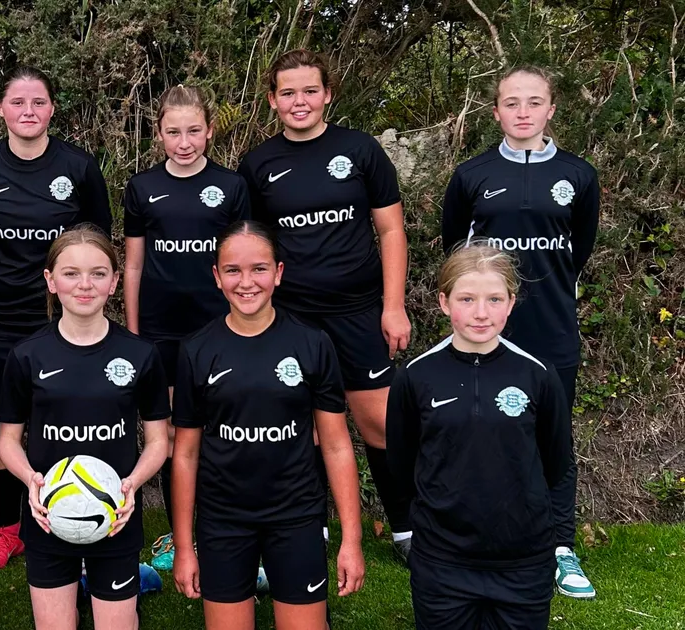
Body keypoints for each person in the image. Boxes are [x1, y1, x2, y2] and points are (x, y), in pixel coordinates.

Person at [236, 49, 413, 554]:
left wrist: (393, 304)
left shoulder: (360, 151)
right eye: (287, 92)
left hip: (359, 311)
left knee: (378, 422)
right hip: (293, 316)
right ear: (272, 100)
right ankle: (309, 528)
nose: (299, 101)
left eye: (309, 90)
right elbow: (254, 246)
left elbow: (391, 229)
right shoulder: (259, 164)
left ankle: (406, 529)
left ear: (327, 94)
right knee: (303, 425)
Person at [441, 65, 600, 599]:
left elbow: (578, 250)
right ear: (496, 111)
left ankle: (559, 548)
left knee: (552, 440)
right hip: (484, 333)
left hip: (552, 331)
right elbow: (457, 255)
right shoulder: (471, 175)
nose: (523, 112)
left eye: (534, 102)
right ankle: (481, 538)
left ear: (552, 109)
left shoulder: (578, 175)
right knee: (480, 431)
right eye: (512, 103)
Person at [171, 220, 365, 630]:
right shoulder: (196, 350)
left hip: (295, 515)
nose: (247, 282)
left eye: (259, 268)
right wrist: (185, 546)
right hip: (223, 519)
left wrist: (352, 539)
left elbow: (335, 445)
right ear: (216, 276)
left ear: (278, 273)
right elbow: (185, 454)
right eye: (233, 270)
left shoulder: (312, 344)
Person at [0, 66, 113, 571]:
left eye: (39, 102)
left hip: (64, 321)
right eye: (18, 102)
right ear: (1, 108)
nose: (29, 112)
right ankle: (11, 531)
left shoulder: (78, 166)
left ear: (52, 108)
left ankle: (81, 515)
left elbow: (95, 238)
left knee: (69, 420)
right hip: (0, 317)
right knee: (4, 429)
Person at [387, 243, 574, 629]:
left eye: (494, 299)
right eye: (467, 299)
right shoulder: (416, 377)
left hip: (522, 561)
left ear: (510, 303)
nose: (480, 313)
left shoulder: (537, 376)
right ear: (444, 302)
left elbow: (557, 464)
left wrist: (551, 538)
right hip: (443, 563)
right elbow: (401, 465)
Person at [0, 224, 169, 630]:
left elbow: (159, 440)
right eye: (71, 273)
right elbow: (7, 440)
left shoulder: (140, 354)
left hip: (116, 516)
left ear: (113, 282)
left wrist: (131, 485)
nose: (84, 284)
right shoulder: (26, 356)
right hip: (47, 516)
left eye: (98, 273)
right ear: (50, 281)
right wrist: (30, 480)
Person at [122, 84, 251, 571]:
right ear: (158, 134)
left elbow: (241, 262)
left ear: (210, 130)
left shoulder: (232, 187)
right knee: (177, 435)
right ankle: (182, 537)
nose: (184, 141)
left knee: (226, 428)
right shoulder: (141, 187)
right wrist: (136, 335)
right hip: (161, 331)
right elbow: (133, 267)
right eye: (173, 132)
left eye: (194, 130)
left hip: (218, 329)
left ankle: (227, 526)